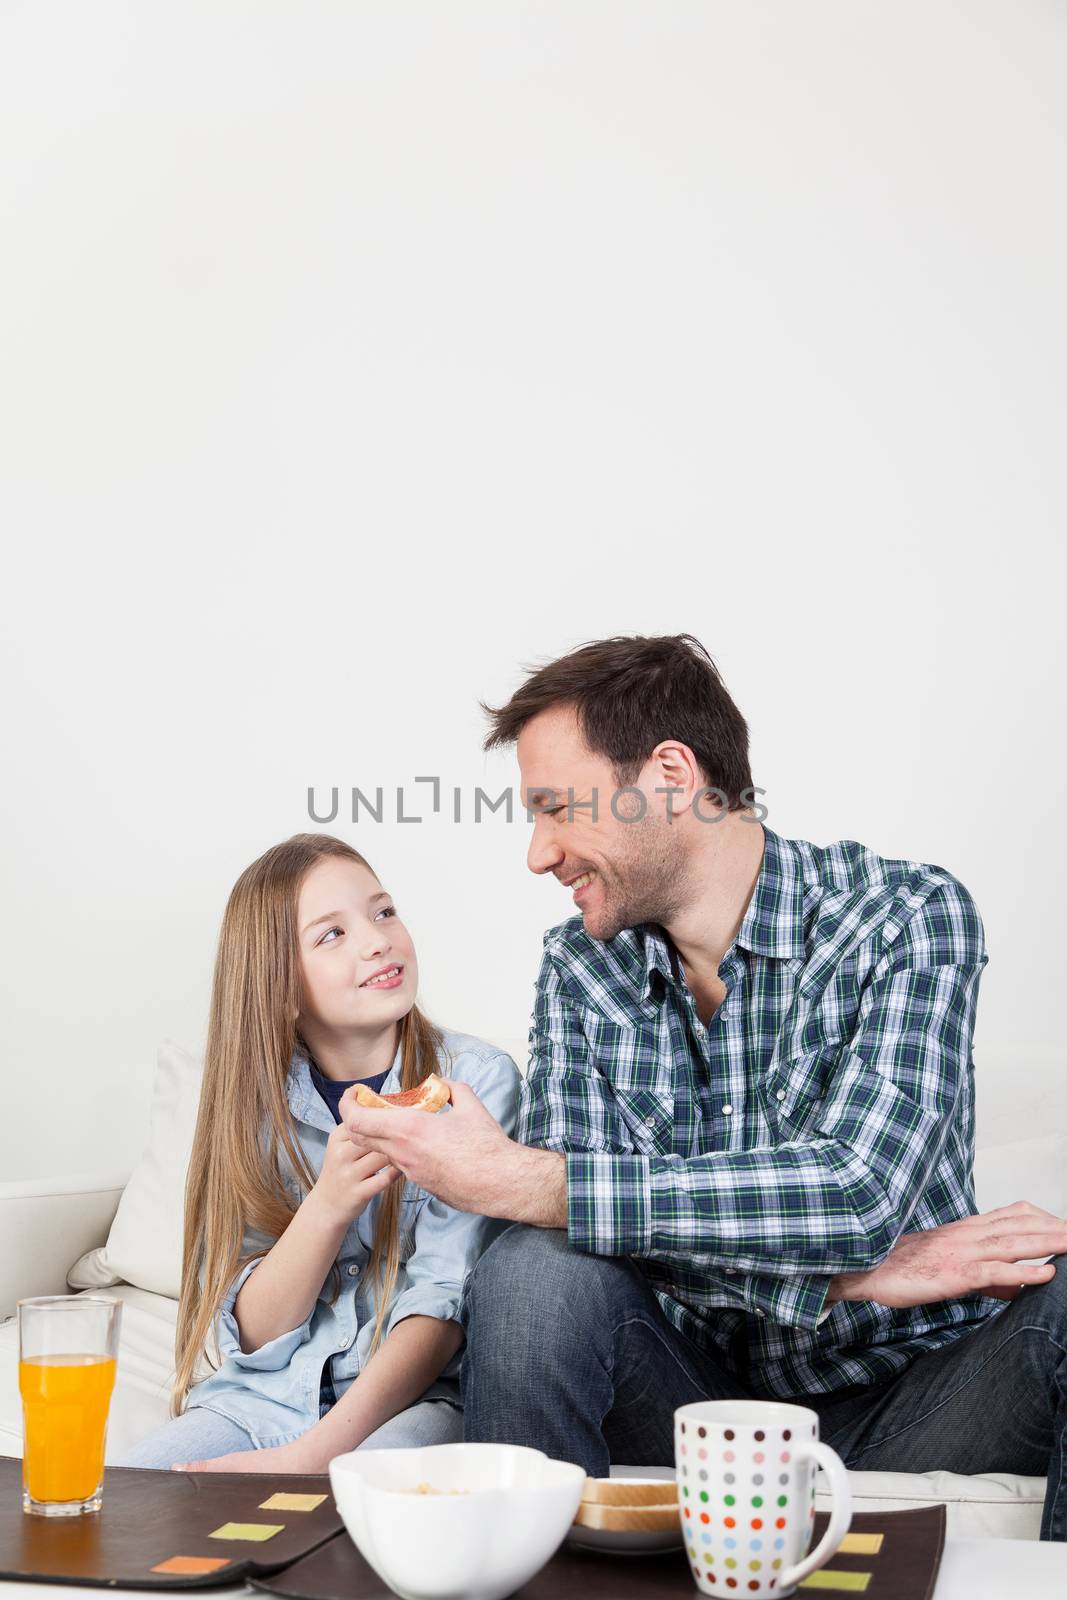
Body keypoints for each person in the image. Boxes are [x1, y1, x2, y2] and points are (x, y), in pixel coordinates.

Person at [340, 634, 1067, 1540]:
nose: (538, 854)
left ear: (673, 775)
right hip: (691, 1405)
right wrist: (855, 1278)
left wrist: (531, 1183)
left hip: (919, 1396)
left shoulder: (905, 915)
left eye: (557, 809)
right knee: (532, 1273)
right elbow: (590, 1252)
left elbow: (856, 1192)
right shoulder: (579, 966)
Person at [116, 833, 519, 1473]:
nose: (377, 939)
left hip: (415, 1405)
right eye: (331, 934)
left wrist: (314, 1457)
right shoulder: (248, 1106)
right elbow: (255, 1332)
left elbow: (442, 1306)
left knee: (364, 1502)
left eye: (383, 911)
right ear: (282, 988)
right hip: (260, 1401)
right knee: (133, 1506)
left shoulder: (477, 1083)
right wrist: (327, 1206)